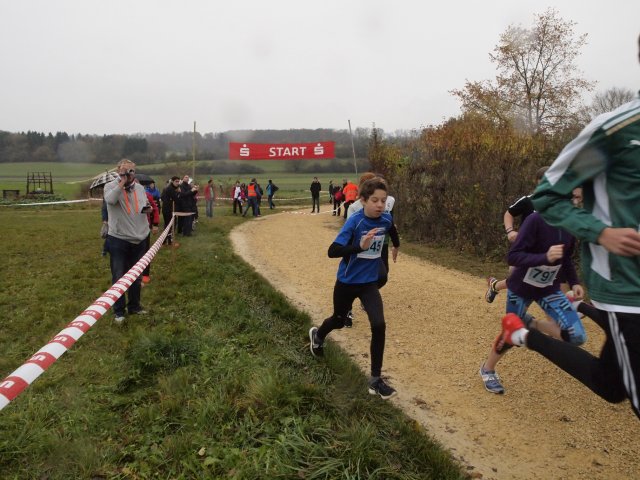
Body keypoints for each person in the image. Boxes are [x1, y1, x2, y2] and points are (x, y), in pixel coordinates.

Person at [498, 34, 640, 418]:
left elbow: (567, 257)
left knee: (608, 383)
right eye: (575, 192)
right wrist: (514, 232)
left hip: (552, 280)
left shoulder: (568, 227)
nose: (578, 195)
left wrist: (569, 278)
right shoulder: (614, 132)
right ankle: (504, 303)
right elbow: (521, 217)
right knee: (515, 279)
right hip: (621, 287)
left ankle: (522, 332)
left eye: (579, 193)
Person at [309, 178, 399, 399]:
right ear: (363, 200)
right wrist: (359, 246)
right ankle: (318, 336)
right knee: (339, 320)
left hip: (368, 284)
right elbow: (332, 251)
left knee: (379, 325)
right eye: (375, 200)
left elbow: (392, 229)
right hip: (347, 283)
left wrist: (396, 245)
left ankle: (375, 380)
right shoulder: (354, 222)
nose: (380, 205)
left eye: (383, 201)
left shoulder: (386, 218)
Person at [479, 210, 586, 394]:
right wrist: (545, 257)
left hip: (548, 289)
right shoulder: (536, 219)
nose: (575, 203)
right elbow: (513, 256)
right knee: (511, 332)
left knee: (577, 335)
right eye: (573, 198)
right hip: (521, 288)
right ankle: (487, 369)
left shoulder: (570, 223)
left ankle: (532, 324)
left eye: (578, 199)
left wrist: (574, 282)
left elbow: (566, 258)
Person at [485, 166, 549, 303]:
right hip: (523, 247)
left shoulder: (557, 205)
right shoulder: (528, 201)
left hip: (544, 251)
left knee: (530, 283)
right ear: (537, 182)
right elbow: (509, 213)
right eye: (543, 182)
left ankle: (496, 286)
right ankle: (498, 289)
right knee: (516, 278)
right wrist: (510, 231)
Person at [103, 159, 152, 324]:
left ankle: (134, 306)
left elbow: (143, 204)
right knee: (119, 276)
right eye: (125, 171)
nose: (129, 174)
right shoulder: (110, 187)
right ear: (119, 171)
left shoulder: (139, 188)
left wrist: (148, 209)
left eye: (132, 171)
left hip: (139, 238)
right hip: (119, 239)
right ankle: (119, 311)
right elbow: (110, 200)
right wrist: (121, 182)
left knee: (136, 276)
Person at [141, 186, 160, 284]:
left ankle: (145, 274)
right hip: (128, 230)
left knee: (145, 252)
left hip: (145, 228)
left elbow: (155, 209)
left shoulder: (147, 195)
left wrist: (155, 224)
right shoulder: (122, 195)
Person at [160, 176, 181, 245]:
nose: (177, 183)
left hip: (167, 209)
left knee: (168, 225)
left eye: (178, 181)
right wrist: (178, 193)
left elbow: (162, 197)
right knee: (170, 225)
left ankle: (165, 240)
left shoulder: (168, 188)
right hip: (168, 210)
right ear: (172, 181)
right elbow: (177, 199)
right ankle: (169, 241)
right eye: (176, 181)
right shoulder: (170, 189)